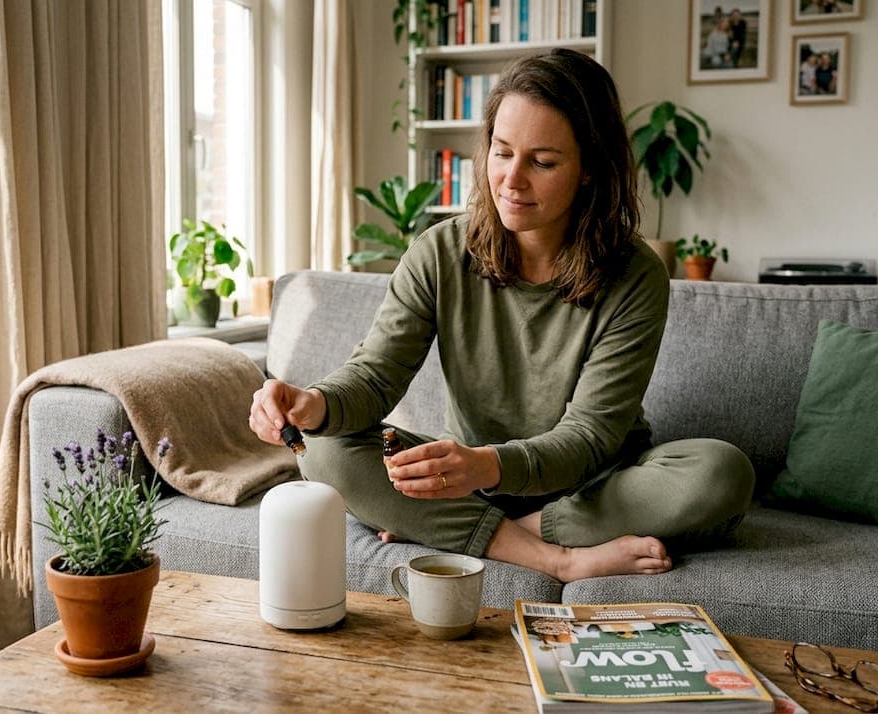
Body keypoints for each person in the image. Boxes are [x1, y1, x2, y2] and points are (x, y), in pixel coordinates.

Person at [248, 49, 754, 583]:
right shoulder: (439, 253)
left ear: (588, 170)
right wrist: (314, 403)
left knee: (721, 473)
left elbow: (588, 437)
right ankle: (555, 556)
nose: (511, 180)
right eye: (502, 151)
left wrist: (482, 470)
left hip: (591, 483)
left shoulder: (634, 274)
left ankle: (494, 529)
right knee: (324, 451)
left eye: (543, 162)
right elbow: (375, 375)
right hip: (470, 476)